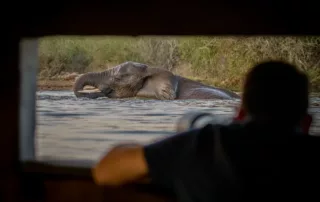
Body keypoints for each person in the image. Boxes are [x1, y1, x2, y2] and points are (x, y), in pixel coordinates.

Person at [92, 61, 318, 202]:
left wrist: (181, 139)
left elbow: (105, 172)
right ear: (307, 122)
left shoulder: (206, 143)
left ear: (238, 113)